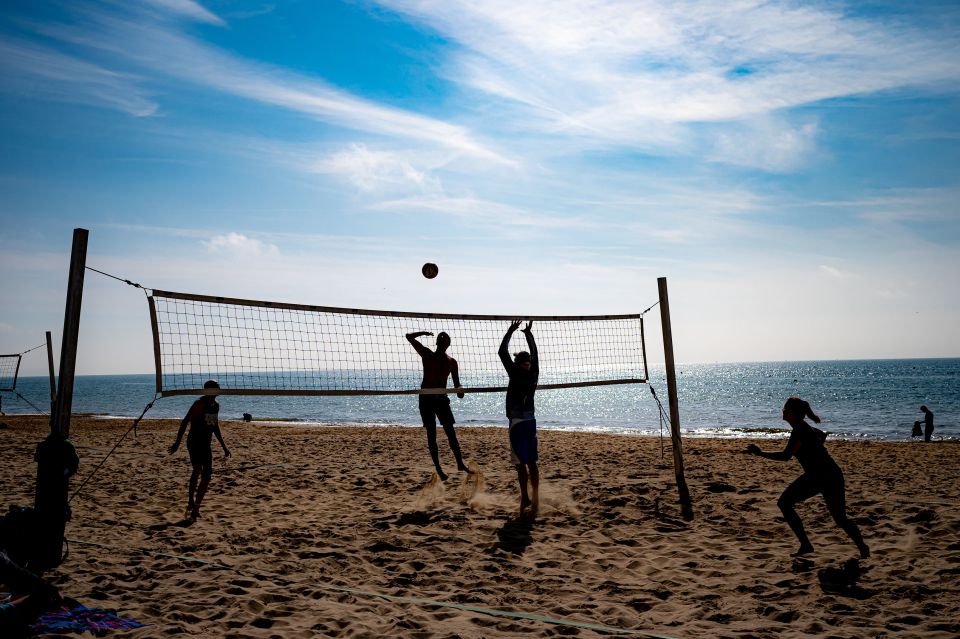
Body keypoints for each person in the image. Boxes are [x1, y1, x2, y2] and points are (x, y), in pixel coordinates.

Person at [746, 397, 869, 558]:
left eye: (786, 409)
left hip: (819, 476)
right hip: (831, 473)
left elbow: (785, 456)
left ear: (793, 413)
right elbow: (821, 435)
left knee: (784, 503)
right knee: (840, 519)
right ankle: (862, 548)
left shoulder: (799, 430)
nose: (783, 411)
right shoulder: (804, 428)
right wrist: (813, 451)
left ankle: (806, 544)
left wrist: (760, 453)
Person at [406, 331, 468, 481]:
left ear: (448, 344)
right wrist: (424, 333)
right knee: (431, 434)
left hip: (441, 399)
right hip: (426, 398)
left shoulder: (451, 362)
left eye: (444, 340)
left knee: (450, 432)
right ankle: (439, 468)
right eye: (440, 339)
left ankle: (459, 462)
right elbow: (409, 336)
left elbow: (456, 382)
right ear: (437, 343)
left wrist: (460, 390)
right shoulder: (427, 355)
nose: (442, 342)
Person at [169, 380, 230, 520]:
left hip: (206, 444)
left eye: (219, 388)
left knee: (207, 476)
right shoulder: (199, 403)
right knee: (197, 470)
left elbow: (215, 426)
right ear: (209, 390)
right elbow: (185, 421)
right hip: (194, 442)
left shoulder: (216, 406)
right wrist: (177, 443)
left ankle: (196, 507)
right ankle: (190, 500)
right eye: (216, 388)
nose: (219, 390)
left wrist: (224, 447)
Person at [499, 320, 539, 516]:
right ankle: (536, 497)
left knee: (520, 463)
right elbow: (536, 355)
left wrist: (511, 330)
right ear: (529, 362)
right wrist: (528, 335)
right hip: (531, 420)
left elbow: (501, 351)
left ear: (517, 363)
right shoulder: (534, 373)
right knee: (532, 462)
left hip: (517, 423)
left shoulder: (515, 372)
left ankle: (525, 497)